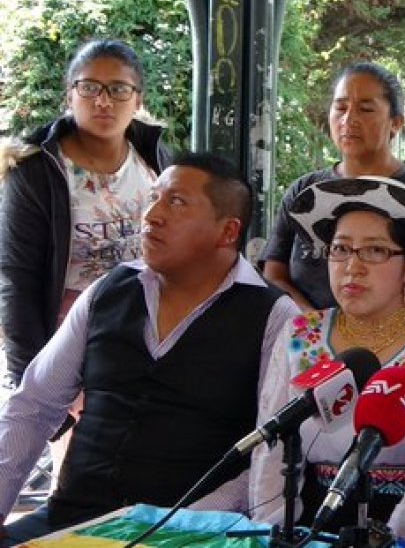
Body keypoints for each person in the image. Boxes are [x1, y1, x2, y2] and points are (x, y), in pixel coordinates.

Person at [0, 153, 299, 545]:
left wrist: (169, 529)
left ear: (227, 232)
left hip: (189, 534)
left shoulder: (275, 318)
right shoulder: (109, 290)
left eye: (176, 203)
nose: (152, 215)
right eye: (154, 197)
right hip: (72, 520)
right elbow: (33, 408)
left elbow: (270, 459)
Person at [250, 176, 405, 536]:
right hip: (304, 521)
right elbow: (270, 452)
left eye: (375, 251)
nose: (353, 266)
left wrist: (394, 537)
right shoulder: (300, 334)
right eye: (341, 249)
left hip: (403, 524)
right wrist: (276, 530)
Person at [0, 39, 171, 388]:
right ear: (70, 94)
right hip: (68, 341)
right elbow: (16, 279)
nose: (103, 100)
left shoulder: (156, 159)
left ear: (137, 99)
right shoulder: (37, 171)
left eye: (119, 89)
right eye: (89, 87)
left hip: (149, 333)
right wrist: (30, 381)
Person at [263, 62, 405, 312]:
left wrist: (383, 333)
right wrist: (318, 328)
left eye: (365, 109)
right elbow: (274, 274)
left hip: (391, 342)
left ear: (396, 122)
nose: (348, 119)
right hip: (307, 340)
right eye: (340, 107)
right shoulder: (303, 191)